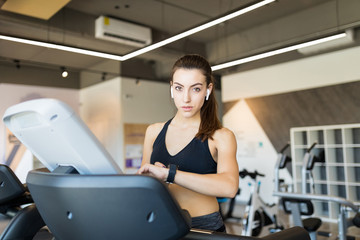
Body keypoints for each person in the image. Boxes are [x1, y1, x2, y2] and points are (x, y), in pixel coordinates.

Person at [137, 54, 239, 232]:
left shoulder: (221, 136)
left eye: (196, 89)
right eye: (179, 88)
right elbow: (146, 181)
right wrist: (152, 178)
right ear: (171, 89)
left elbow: (229, 187)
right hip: (161, 222)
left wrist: (170, 174)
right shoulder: (153, 132)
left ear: (208, 90)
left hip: (203, 227)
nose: (185, 98)